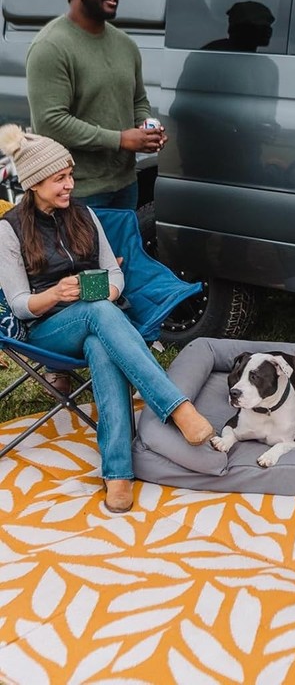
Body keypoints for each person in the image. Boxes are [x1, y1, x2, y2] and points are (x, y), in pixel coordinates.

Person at [0, 125, 214, 514]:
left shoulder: (83, 215)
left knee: (102, 339)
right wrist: (55, 295)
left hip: (100, 319)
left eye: (70, 176)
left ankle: (117, 474)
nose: (70, 185)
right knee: (101, 315)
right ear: (34, 183)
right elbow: (18, 304)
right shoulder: (10, 229)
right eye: (59, 178)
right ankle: (177, 408)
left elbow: (114, 274)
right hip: (48, 331)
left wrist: (108, 291)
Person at [26, 0, 166, 212]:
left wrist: (147, 128)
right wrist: (121, 139)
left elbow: (138, 100)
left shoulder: (125, 45)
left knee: (120, 255)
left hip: (125, 185)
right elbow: (51, 122)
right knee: (83, 256)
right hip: (76, 190)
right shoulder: (51, 46)